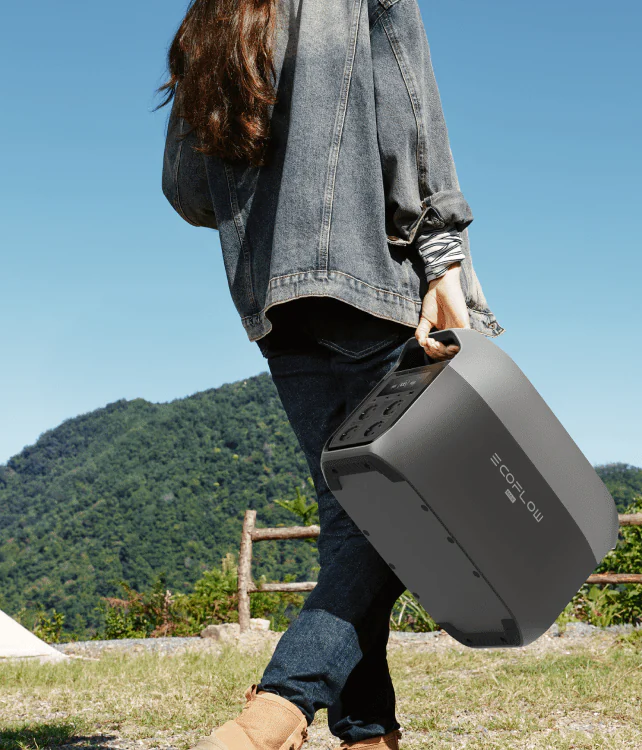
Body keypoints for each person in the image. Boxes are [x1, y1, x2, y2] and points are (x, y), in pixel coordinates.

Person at [160, 0, 501, 747]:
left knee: (357, 522)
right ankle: (276, 710)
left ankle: (367, 731)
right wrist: (441, 256)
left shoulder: (206, 22)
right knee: (409, 515)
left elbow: (188, 190)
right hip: (372, 281)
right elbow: (412, 106)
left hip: (278, 308)